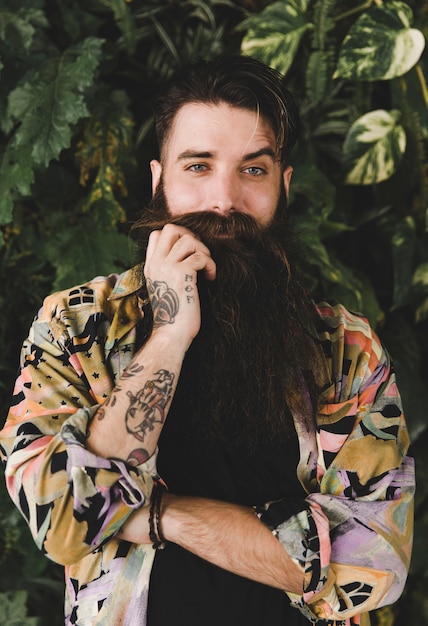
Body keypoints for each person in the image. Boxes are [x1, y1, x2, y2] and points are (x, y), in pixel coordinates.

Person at [0, 55, 414, 626]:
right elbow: (65, 518)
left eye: (252, 170)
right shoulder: (77, 328)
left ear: (283, 185)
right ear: (158, 180)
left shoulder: (346, 350)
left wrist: (162, 513)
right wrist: (170, 334)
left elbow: (373, 562)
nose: (224, 201)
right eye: (198, 166)